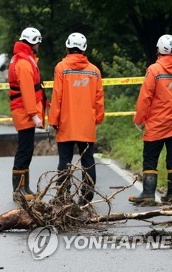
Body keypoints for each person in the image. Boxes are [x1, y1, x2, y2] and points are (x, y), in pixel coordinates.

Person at [129, 34, 172, 204]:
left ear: (160, 50)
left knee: (150, 158)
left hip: (157, 123)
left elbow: (145, 97)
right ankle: (171, 194)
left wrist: (139, 119)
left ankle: (148, 193)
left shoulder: (154, 70)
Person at [48, 32, 104, 205]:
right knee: (88, 161)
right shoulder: (94, 71)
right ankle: (86, 197)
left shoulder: (61, 68)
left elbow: (57, 96)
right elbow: (99, 98)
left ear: (67, 47)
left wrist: (53, 121)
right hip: (86, 124)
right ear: (84, 49)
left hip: (66, 124)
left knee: (65, 161)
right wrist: (97, 119)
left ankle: (63, 195)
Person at [8, 27, 45, 202]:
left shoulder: (24, 58)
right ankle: (18, 191)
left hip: (24, 111)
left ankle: (25, 187)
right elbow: (27, 91)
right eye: (37, 42)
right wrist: (34, 115)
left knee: (27, 149)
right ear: (32, 42)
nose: (38, 45)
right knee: (24, 150)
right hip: (24, 111)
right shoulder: (23, 62)